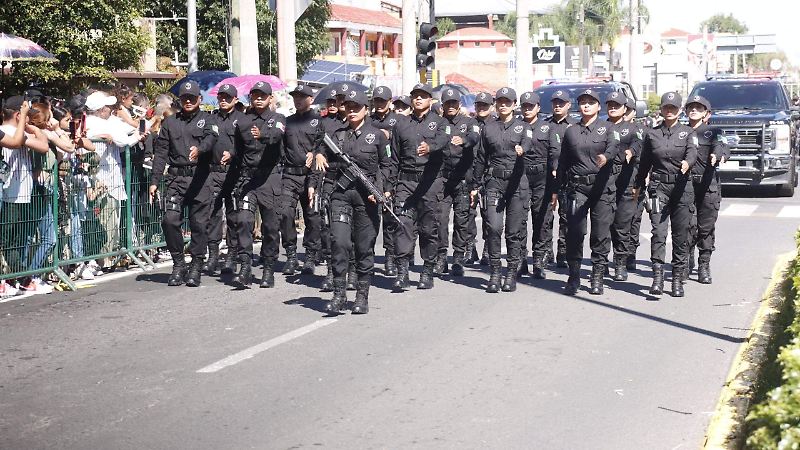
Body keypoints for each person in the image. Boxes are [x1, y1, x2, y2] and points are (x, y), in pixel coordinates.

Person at [312, 89, 392, 314]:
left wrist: (381, 189)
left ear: (366, 110)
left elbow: (387, 166)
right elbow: (321, 147)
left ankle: (361, 296)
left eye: (357, 107)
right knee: (339, 242)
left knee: (364, 247)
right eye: (349, 107)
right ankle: (339, 295)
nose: (353, 111)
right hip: (341, 195)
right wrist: (319, 154)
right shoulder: (337, 134)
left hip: (367, 198)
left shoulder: (378, 136)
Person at [149, 81, 217, 287]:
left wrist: (200, 149)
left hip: (200, 179)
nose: (188, 101)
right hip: (176, 179)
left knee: (199, 225)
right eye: (185, 98)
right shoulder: (170, 123)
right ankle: (179, 264)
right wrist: (154, 180)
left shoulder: (208, 120)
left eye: (192, 98)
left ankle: (196, 264)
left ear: (199, 100)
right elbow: (161, 153)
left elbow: (211, 139)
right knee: (169, 220)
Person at [554, 89, 621, 295]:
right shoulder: (571, 131)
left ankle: (597, 275)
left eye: (591, 102)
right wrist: (558, 191)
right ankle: (574, 276)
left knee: (600, 233)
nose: (586, 106)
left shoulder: (609, 128)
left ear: (598, 106)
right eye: (582, 102)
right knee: (575, 232)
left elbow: (614, 147)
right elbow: (563, 160)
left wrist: (605, 158)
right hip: (577, 188)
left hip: (602, 187)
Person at [634, 92, 698, 297]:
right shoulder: (651, 134)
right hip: (658, 188)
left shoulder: (688, 133)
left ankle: (677, 279)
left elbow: (692, 153)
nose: (669, 111)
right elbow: (644, 163)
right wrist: (638, 185)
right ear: (661, 110)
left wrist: (687, 164)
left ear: (680, 110)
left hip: (682, 187)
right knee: (658, 233)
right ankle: (657, 278)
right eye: (666, 107)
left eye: (673, 108)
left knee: (681, 235)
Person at [470, 87, 532, 293]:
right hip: (494, 182)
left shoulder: (523, 127)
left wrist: (522, 150)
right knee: (494, 229)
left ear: (515, 104)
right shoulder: (489, 128)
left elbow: (528, 143)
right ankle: (495, 273)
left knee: (514, 232)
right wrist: (475, 184)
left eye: (508, 101)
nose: (503, 104)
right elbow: (480, 157)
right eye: (500, 101)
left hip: (516, 184)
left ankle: (511, 274)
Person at [389, 83, 449, 290]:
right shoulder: (401, 124)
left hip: (430, 181)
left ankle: (427, 271)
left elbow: (444, 140)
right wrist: (390, 186)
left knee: (428, 228)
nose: (418, 99)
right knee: (403, 224)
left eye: (423, 96)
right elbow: (394, 158)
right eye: (415, 96)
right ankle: (402, 272)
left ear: (430, 100)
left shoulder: (440, 122)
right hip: (406, 182)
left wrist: (430, 147)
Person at [229, 81, 286, 288]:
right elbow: (238, 151)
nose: (259, 98)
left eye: (263, 95)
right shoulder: (242, 121)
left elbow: (276, 136)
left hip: (269, 178)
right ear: (250, 97)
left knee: (271, 227)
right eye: (255, 94)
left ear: (270, 98)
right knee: (243, 221)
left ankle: (269, 267)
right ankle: (245, 266)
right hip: (247, 179)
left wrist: (261, 136)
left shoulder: (277, 119)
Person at [85, 91, 142, 273]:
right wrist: (137, 136)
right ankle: (104, 260)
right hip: (101, 181)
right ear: (100, 109)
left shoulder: (109, 121)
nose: (110, 109)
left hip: (113, 178)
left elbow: (129, 129)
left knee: (113, 221)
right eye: (107, 107)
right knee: (105, 222)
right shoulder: (93, 123)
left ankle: (109, 258)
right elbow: (123, 140)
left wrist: (139, 129)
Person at [0, 96, 51, 296]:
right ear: (16, 114)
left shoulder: (19, 129)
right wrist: (26, 124)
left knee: (13, 241)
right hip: (10, 194)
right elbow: (24, 143)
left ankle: (21, 279)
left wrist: (33, 127)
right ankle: (20, 279)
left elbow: (43, 144)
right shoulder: (10, 131)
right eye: (24, 115)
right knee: (7, 240)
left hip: (19, 194)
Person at [280, 85, 323, 276]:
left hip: (311, 176)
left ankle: (310, 256)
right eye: (295, 96)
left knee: (312, 217)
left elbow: (324, 147)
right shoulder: (287, 122)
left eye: (302, 96)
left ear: (311, 99)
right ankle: (290, 255)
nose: (298, 100)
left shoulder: (319, 122)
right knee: (285, 213)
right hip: (289, 175)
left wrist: (314, 154)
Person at [437, 87, 480, 277]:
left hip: (462, 178)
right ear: (443, 105)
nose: (451, 106)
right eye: (448, 103)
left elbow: (474, 137)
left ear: (459, 104)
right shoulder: (437, 123)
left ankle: (458, 258)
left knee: (462, 220)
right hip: (442, 178)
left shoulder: (469, 123)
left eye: (454, 103)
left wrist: (463, 140)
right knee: (440, 220)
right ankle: (440, 258)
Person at [203, 83, 244, 276]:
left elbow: (247, 146)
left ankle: (232, 255)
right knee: (214, 214)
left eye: (228, 97)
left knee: (234, 215)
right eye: (221, 97)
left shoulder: (242, 120)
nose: (224, 100)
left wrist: (234, 153)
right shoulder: (210, 119)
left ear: (235, 99)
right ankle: (212, 255)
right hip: (214, 173)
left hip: (234, 173)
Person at [517, 91, 558, 280]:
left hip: (542, 177)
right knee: (519, 220)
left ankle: (539, 261)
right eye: (524, 106)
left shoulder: (547, 128)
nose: (527, 109)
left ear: (538, 108)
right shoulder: (516, 126)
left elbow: (554, 154)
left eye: (530, 106)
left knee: (541, 219)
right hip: (521, 175)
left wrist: (555, 180)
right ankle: (520, 260)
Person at [685, 95, 725, 284]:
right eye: (691, 107)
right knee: (686, 225)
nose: (694, 110)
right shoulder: (681, 131)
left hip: (708, 186)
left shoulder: (713, 131)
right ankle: (685, 260)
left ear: (707, 114)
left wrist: (718, 156)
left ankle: (704, 264)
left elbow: (722, 147)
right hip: (686, 185)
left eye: (699, 108)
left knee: (705, 227)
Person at [606, 91, 643, 282]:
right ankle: (601, 262)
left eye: (617, 105)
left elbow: (638, 143)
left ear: (624, 109)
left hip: (626, 179)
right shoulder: (601, 127)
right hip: (604, 180)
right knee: (603, 224)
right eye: (610, 105)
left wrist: (630, 151)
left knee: (622, 224)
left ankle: (620, 262)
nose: (613, 108)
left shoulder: (632, 128)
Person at [370, 86, 400, 277]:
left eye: (383, 100)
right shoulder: (368, 120)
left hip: (390, 170)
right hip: (372, 172)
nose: (380, 104)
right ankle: (368, 257)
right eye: (377, 100)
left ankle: (390, 257)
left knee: (389, 218)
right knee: (370, 219)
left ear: (390, 102)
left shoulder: (397, 121)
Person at [545, 89, 577, 269]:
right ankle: (546, 251)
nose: (557, 106)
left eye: (561, 103)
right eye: (555, 102)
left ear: (568, 105)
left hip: (566, 177)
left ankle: (562, 252)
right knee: (545, 216)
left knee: (565, 217)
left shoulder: (574, 126)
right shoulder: (545, 125)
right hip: (546, 177)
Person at [467, 91, 495, 265]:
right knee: (468, 213)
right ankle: (470, 248)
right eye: (479, 105)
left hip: (490, 174)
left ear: (491, 107)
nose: (482, 108)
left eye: (485, 105)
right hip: (470, 172)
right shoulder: (469, 124)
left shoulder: (497, 125)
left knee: (489, 214)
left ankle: (488, 248)